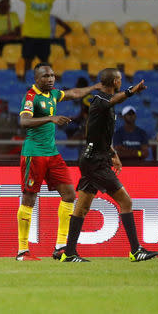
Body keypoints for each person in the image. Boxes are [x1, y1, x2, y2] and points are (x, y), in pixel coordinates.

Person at [60, 68, 158, 262]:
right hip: (96, 162)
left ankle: (69, 253)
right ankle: (136, 250)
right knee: (126, 202)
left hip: (94, 158)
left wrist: (113, 154)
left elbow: (97, 134)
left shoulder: (103, 104)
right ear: (115, 82)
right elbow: (113, 101)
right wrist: (132, 91)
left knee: (81, 208)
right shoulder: (101, 101)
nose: (121, 82)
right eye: (120, 80)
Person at [17, 62, 101, 261]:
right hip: (34, 154)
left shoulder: (53, 94)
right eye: (46, 76)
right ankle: (22, 251)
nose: (51, 79)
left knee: (70, 194)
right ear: (36, 79)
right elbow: (24, 121)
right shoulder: (31, 97)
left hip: (52, 154)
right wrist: (51, 118)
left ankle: (61, 247)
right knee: (29, 198)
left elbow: (73, 93)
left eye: (53, 75)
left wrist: (94, 87)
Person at [18, 0, 63, 75]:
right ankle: (47, 82)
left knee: (27, 61)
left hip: (30, 35)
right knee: (45, 62)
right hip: (44, 36)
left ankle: (26, 81)